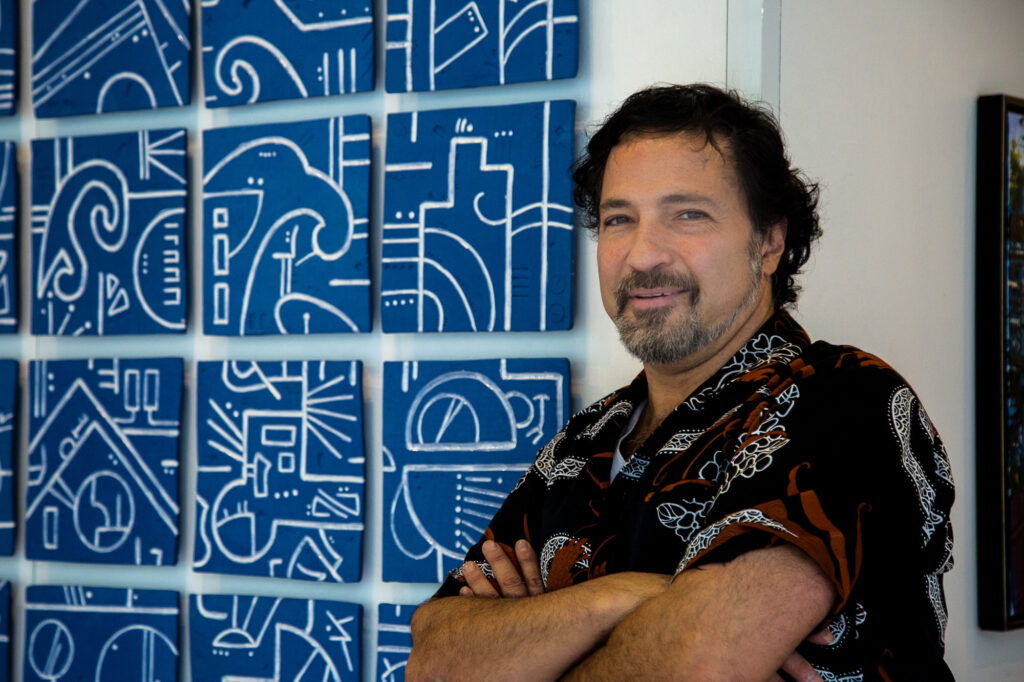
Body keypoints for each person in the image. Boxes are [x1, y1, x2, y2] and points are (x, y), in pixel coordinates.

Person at [406, 84, 955, 681]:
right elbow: (434, 658)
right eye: (619, 219)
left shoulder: (846, 401)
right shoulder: (586, 439)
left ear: (770, 241)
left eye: (688, 214)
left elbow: (699, 662)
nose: (643, 255)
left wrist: (537, 641)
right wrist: (615, 598)